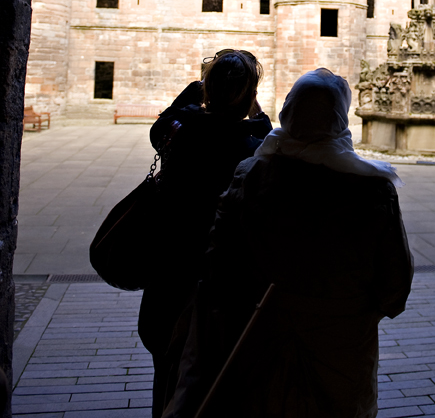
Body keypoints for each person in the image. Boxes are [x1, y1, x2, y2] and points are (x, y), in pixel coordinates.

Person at [164, 68, 413, 418]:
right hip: (340, 352)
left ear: (288, 112)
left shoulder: (251, 176)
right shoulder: (374, 190)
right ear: (340, 116)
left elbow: (218, 269)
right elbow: (395, 289)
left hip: (256, 347)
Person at [139, 49, 272, 417]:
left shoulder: (179, 132)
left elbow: (161, 124)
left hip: (171, 266)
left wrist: (199, 87)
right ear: (249, 94)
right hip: (218, 275)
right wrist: (253, 104)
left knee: (166, 366)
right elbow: (267, 131)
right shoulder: (250, 143)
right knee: (213, 376)